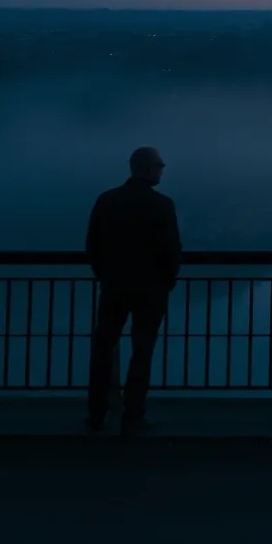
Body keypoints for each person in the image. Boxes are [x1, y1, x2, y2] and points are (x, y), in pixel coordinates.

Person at [85, 146, 182, 433]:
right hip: (151, 291)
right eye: (159, 166)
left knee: (103, 348)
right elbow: (171, 250)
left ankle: (97, 411)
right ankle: (133, 414)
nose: (162, 170)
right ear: (148, 169)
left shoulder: (107, 200)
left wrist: (105, 275)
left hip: (114, 287)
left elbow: (93, 245)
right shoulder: (162, 205)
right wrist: (167, 280)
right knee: (142, 351)